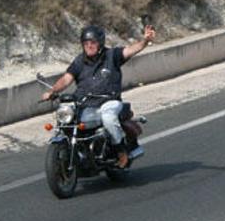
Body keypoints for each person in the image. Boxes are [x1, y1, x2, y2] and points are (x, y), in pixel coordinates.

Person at [41, 24, 156, 168]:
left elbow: (130, 50)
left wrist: (145, 41)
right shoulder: (79, 61)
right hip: (85, 103)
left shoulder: (112, 56)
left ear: (100, 43)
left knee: (107, 117)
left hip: (109, 101)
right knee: (66, 119)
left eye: (93, 42)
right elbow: (66, 79)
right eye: (86, 43)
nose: (89, 46)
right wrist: (53, 91)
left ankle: (121, 151)